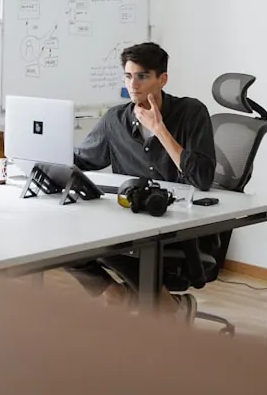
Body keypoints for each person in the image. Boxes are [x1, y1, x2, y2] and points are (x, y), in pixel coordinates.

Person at [70, 42, 217, 323]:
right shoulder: (116, 119)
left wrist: (159, 129)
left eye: (142, 76)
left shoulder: (191, 113)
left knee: (105, 242)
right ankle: (121, 295)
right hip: (129, 221)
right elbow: (82, 161)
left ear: (162, 79)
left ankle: (161, 304)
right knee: (65, 235)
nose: (133, 85)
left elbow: (202, 178)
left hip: (178, 226)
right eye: (128, 76)